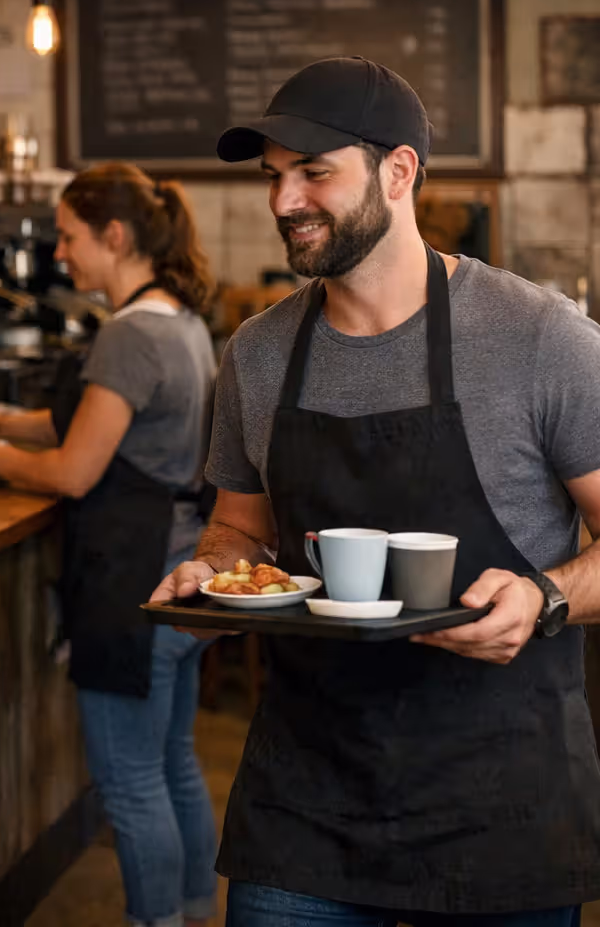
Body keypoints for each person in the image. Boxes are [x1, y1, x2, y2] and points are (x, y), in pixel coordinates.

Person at [152, 56, 600, 924]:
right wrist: (215, 571)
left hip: (500, 802)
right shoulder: (259, 352)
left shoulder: (540, 337)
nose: (284, 202)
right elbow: (239, 529)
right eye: (274, 177)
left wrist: (546, 598)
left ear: (399, 172)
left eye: (314, 173)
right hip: (306, 798)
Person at [0, 162, 220, 927]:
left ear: (114, 235)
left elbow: (75, 471)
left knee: (131, 781)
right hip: (181, 567)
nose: (60, 254)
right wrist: (4, 424)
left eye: (69, 237)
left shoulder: (130, 335)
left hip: (133, 583)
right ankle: (196, 912)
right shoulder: (180, 321)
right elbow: (110, 426)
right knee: (171, 761)